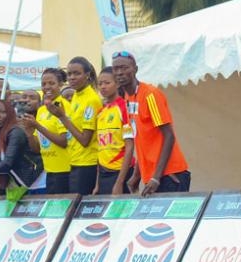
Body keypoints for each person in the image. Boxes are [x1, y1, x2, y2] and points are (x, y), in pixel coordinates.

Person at [112, 51, 191, 196]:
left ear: (135, 69)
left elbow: (169, 136)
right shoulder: (128, 99)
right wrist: (136, 174)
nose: (119, 72)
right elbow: (143, 140)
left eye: (124, 68)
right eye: (116, 69)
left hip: (169, 175)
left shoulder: (150, 95)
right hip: (152, 176)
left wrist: (156, 178)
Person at [48, 57, 103, 195]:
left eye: (77, 73)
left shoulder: (91, 99)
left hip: (87, 164)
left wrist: (62, 117)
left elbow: (85, 140)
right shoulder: (77, 96)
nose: (72, 77)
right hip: (74, 161)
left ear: (87, 75)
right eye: (69, 74)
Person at [22, 67, 70, 194]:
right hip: (49, 171)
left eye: (51, 83)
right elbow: (37, 148)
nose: (47, 87)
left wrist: (37, 126)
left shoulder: (64, 106)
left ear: (60, 84)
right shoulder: (42, 110)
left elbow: (63, 141)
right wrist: (29, 132)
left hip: (64, 170)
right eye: (43, 84)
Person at [94, 67, 134, 195]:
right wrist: (97, 184)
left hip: (121, 171)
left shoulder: (124, 108)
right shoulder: (100, 112)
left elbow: (129, 145)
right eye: (100, 84)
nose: (103, 87)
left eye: (107, 83)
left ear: (117, 84)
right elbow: (100, 149)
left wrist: (119, 182)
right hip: (103, 173)